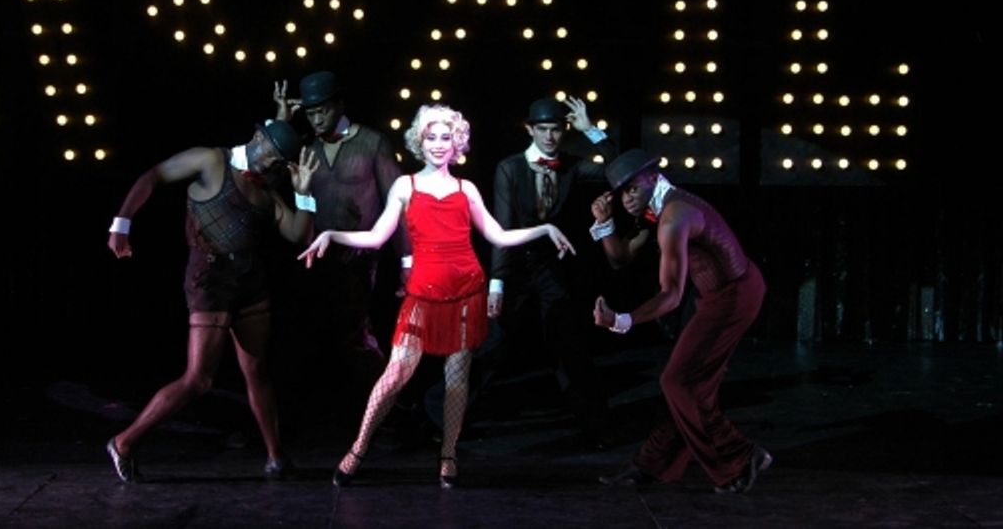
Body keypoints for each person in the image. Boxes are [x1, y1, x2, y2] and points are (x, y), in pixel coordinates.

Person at [298, 104, 577, 489]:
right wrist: (331, 234)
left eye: (446, 137)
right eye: (431, 137)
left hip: (465, 291)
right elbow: (377, 237)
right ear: (420, 141)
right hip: (422, 294)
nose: (439, 144)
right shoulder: (405, 186)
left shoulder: (466, 189)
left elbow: (497, 235)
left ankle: (448, 455)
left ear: (457, 143)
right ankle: (359, 447)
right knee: (395, 374)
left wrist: (544, 229)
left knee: (456, 381)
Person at [103, 120, 319, 483]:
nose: (272, 164)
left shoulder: (267, 193)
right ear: (257, 137)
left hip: (250, 283)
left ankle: (276, 457)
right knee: (199, 379)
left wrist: (304, 193)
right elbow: (154, 175)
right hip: (210, 280)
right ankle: (124, 442)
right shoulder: (211, 160)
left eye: (280, 162)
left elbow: (299, 235)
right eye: (271, 154)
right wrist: (121, 224)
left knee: (257, 370)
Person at [590, 149, 772, 494]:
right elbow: (620, 258)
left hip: (734, 296)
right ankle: (652, 464)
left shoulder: (675, 215)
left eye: (632, 189)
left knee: (680, 382)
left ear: (653, 177)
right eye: (621, 193)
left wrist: (621, 321)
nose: (627, 199)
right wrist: (604, 223)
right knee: (685, 387)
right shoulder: (656, 208)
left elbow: (671, 296)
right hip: (713, 296)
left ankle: (741, 456)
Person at [481, 96, 618, 443]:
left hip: (551, 267)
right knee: (493, 345)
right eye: (542, 129)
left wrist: (591, 131)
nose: (549, 137)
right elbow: (502, 229)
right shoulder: (510, 168)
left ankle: (597, 428)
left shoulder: (571, 165)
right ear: (530, 130)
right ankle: (439, 419)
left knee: (567, 344)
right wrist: (496, 283)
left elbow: (619, 171)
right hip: (514, 264)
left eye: (556, 130)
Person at [272, 72, 411, 356]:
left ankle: (379, 384)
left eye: (322, 111)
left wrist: (407, 262)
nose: (316, 119)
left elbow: (399, 207)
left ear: (339, 104)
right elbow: (266, 174)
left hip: (361, 260)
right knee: (318, 343)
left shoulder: (372, 143)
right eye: (310, 113)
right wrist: (281, 121)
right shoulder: (307, 148)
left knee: (357, 337)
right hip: (315, 261)